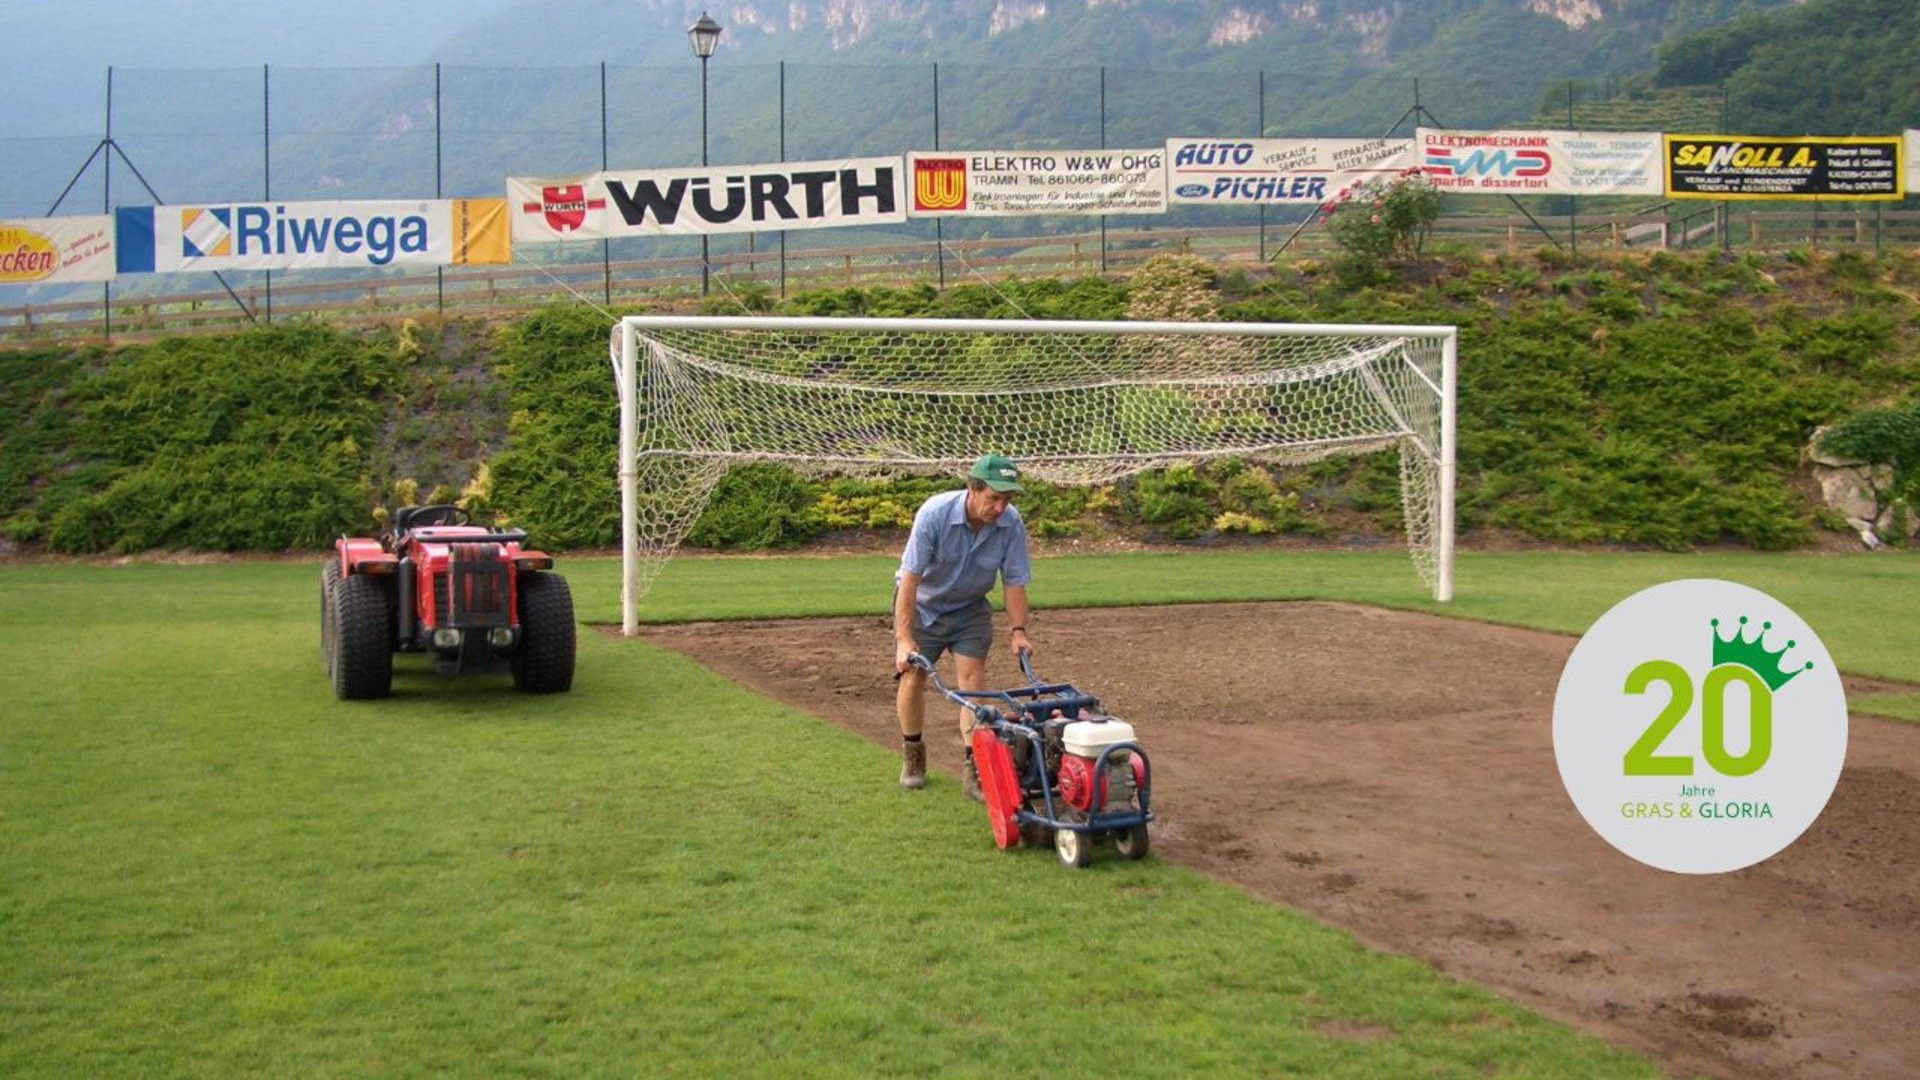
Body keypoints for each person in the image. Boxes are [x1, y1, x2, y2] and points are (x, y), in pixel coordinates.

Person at [893, 453, 1034, 799]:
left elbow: (1014, 581)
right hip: (924, 607)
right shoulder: (934, 514)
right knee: (914, 676)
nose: (1001, 508)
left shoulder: (1010, 523)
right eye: (994, 498)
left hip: (970, 610)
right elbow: (909, 580)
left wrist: (1019, 632)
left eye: (1007, 499)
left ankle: (975, 768)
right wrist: (903, 638)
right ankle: (913, 755)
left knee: (972, 686)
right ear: (972, 489)